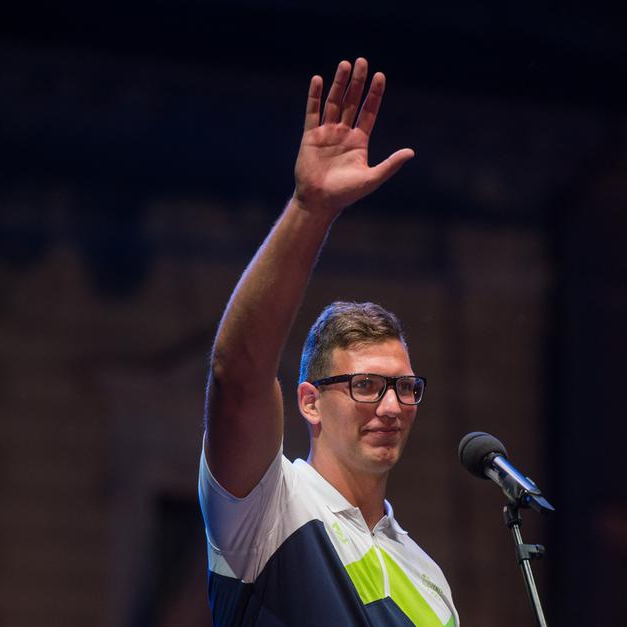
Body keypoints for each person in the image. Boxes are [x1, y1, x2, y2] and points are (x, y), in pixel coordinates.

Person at [198, 58, 459, 627]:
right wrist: (310, 209)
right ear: (310, 402)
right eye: (366, 385)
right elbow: (235, 374)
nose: (391, 407)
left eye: (404, 388)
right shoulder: (272, 509)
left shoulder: (430, 579)